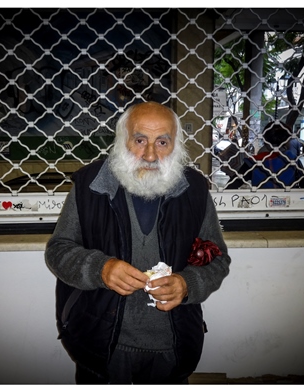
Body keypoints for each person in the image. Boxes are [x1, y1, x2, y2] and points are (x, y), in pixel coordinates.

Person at [45, 101, 231, 384]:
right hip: (102, 344)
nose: (151, 154)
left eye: (162, 142)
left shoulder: (194, 190)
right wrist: (100, 269)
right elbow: (58, 251)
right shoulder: (90, 185)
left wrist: (188, 284)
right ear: (123, 140)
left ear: (176, 145)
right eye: (140, 140)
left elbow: (217, 260)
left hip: (173, 345)